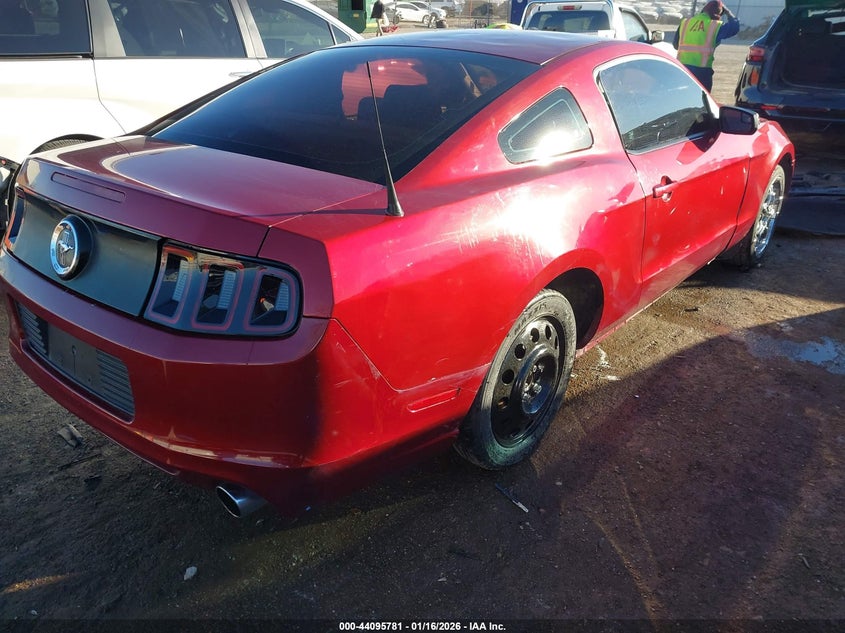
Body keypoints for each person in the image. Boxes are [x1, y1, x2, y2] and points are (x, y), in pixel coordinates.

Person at [674, 0, 739, 91]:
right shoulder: (714, 26)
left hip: (682, 68)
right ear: (717, 14)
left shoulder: (685, 22)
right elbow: (734, 28)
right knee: (701, 101)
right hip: (701, 72)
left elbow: (676, 45)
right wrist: (728, 12)